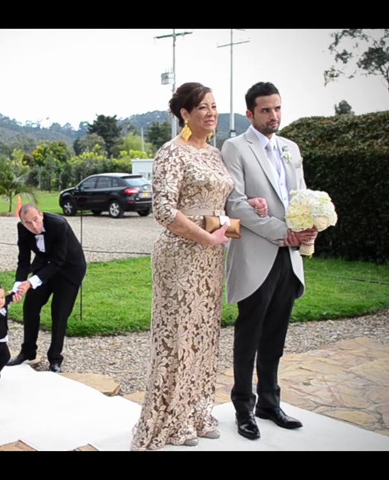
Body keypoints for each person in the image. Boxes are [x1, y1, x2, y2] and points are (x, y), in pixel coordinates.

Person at [130, 82, 266, 451]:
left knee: (204, 336)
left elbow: (219, 209)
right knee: (177, 337)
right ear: (184, 114)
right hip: (179, 256)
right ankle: (168, 422)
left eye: (214, 106)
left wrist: (249, 206)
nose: (210, 113)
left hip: (210, 258)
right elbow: (164, 211)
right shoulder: (171, 153)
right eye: (201, 107)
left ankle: (195, 412)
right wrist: (206, 238)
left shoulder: (215, 154)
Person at [221, 81, 318, 441]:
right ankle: (243, 408)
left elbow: (303, 198)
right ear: (250, 114)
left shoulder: (291, 148)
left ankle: (269, 402)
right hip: (255, 256)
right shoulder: (234, 147)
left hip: (289, 258)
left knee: (276, 335)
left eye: (277, 108)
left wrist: (310, 228)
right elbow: (236, 205)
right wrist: (283, 232)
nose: (273, 115)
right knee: (249, 335)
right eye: (265, 110)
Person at [6, 203, 86, 373]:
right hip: (44, 265)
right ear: (22, 222)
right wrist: (18, 286)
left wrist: (31, 282)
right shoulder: (22, 229)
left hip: (69, 269)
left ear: (41, 215)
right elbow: (23, 261)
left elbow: (58, 261)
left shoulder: (59, 224)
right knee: (30, 307)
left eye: (35, 220)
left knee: (59, 313)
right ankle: (28, 352)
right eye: (28, 223)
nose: (33, 226)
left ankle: (55, 359)